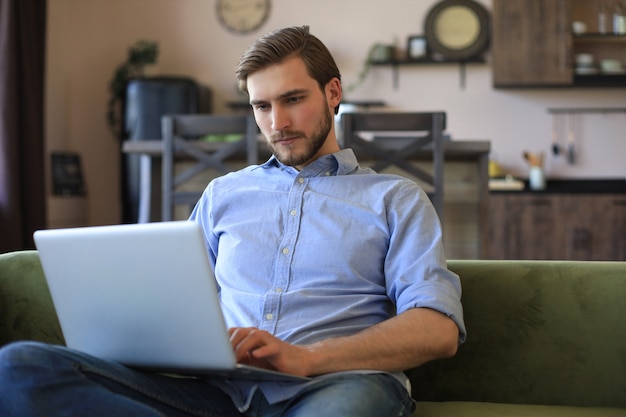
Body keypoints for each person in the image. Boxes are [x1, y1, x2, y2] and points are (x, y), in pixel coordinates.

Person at [0, 25, 465, 417]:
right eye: (262, 106)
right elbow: (176, 303)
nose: (277, 122)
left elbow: (437, 328)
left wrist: (306, 358)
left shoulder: (395, 198)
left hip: (337, 386)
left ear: (333, 92)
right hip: (220, 393)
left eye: (293, 99)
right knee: (21, 366)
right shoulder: (224, 193)